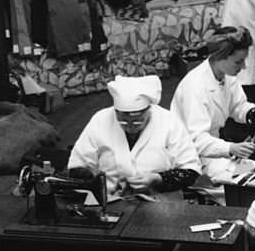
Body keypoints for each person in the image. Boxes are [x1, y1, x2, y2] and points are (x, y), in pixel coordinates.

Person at [69, 75, 200, 197]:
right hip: (111, 199)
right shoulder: (101, 120)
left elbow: (190, 171)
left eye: (137, 120)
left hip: (161, 203)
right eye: (123, 120)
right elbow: (78, 166)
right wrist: (96, 180)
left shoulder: (169, 122)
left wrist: (158, 179)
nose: (130, 125)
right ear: (115, 112)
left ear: (149, 110)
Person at [170, 26, 255, 182]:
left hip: (214, 151)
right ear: (220, 57)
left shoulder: (226, 75)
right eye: (238, 62)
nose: (243, 67)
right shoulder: (195, 86)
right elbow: (196, 140)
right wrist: (231, 148)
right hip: (192, 157)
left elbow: (237, 107)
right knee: (250, 178)